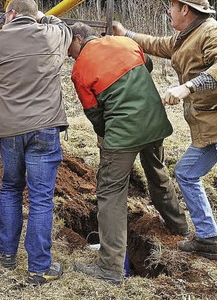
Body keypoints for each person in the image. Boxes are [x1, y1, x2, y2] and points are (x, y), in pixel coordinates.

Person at [113, 0, 217, 295]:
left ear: (185, 9)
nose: (168, 10)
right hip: (211, 129)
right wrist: (125, 34)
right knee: (185, 173)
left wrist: (187, 87)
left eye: (172, 5)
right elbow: (157, 43)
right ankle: (208, 239)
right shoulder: (185, 37)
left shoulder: (214, 30)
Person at [67, 22, 187, 284]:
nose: (69, 53)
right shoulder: (126, 43)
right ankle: (179, 227)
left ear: (78, 39)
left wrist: (105, 135)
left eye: (69, 47)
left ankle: (110, 268)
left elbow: (94, 114)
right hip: (155, 123)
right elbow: (148, 68)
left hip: (123, 134)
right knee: (157, 173)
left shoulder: (80, 69)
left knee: (110, 193)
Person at [0, 0, 71, 286]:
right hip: (45, 126)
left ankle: (7, 255)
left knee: (10, 188)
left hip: (9, 129)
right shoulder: (51, 35)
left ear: (9, 14)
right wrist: (43, 17)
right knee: (41, 198)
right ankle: (39, 268)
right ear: (34, 16)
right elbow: (66, 29)